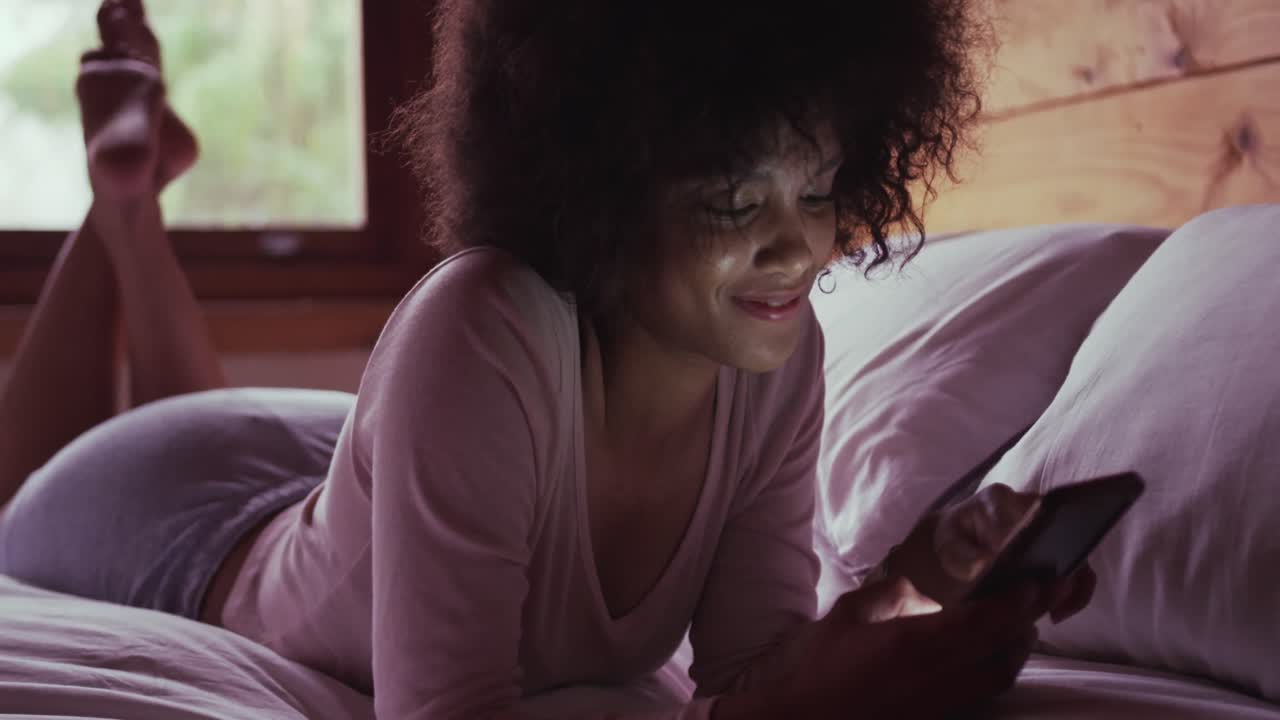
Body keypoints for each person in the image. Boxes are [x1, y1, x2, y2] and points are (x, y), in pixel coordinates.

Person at [0, 0, 1095, 718]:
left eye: (816, 192)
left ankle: (127, 198)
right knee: (24, 480)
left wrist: (907, 597)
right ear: (602, 190)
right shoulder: (478, 326)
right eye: (731, 199)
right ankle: (126, 207)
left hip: (330, 470)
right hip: (172, 518)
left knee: (319, 520)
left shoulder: (778, 358)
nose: (798, 247)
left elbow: (750, 677)